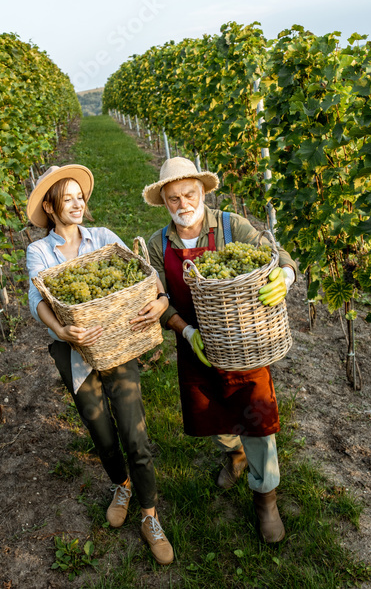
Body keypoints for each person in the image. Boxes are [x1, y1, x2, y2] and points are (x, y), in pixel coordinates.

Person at [142, 157, 296, 544]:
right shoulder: (159, 245)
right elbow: (160, 303)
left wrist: (286, 276)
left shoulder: (231, 226)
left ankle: (266, 499)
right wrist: (185, 330)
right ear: (164, 201)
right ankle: (233, 454)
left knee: (257, 418)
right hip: (197, 346)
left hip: (243, 342)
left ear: (203, 192)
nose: (182, 203)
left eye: (189, 194)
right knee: (213, 413)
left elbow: (278, 256)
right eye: (173, 197)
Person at [26, 164, 174, 565]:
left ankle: (149, 516)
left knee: (135, 436)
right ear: (51, 208)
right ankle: (121, 485)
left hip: (118, 346)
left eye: (80, 196)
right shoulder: (39, 251)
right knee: (101, 433)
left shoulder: (105, 238)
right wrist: (63, 330)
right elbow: (37, 297)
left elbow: (147, 278)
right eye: (67, 198)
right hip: (74, 353)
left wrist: (161, 303)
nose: (77, 204)